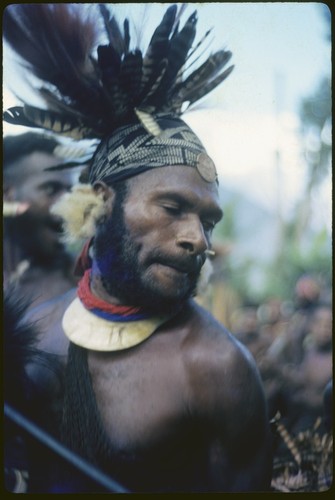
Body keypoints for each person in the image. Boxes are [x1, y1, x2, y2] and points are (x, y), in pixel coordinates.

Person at [3, 3, 273, 492]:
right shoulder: (30, 333)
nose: (198, 239)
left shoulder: (218, 368)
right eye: (172, 208)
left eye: (208, 221)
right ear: (104, 201)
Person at [3, 132, 79, 308]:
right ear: (6, 195)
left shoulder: (87, 278)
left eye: (70, 191)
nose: (69, 203)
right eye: (51, 189)